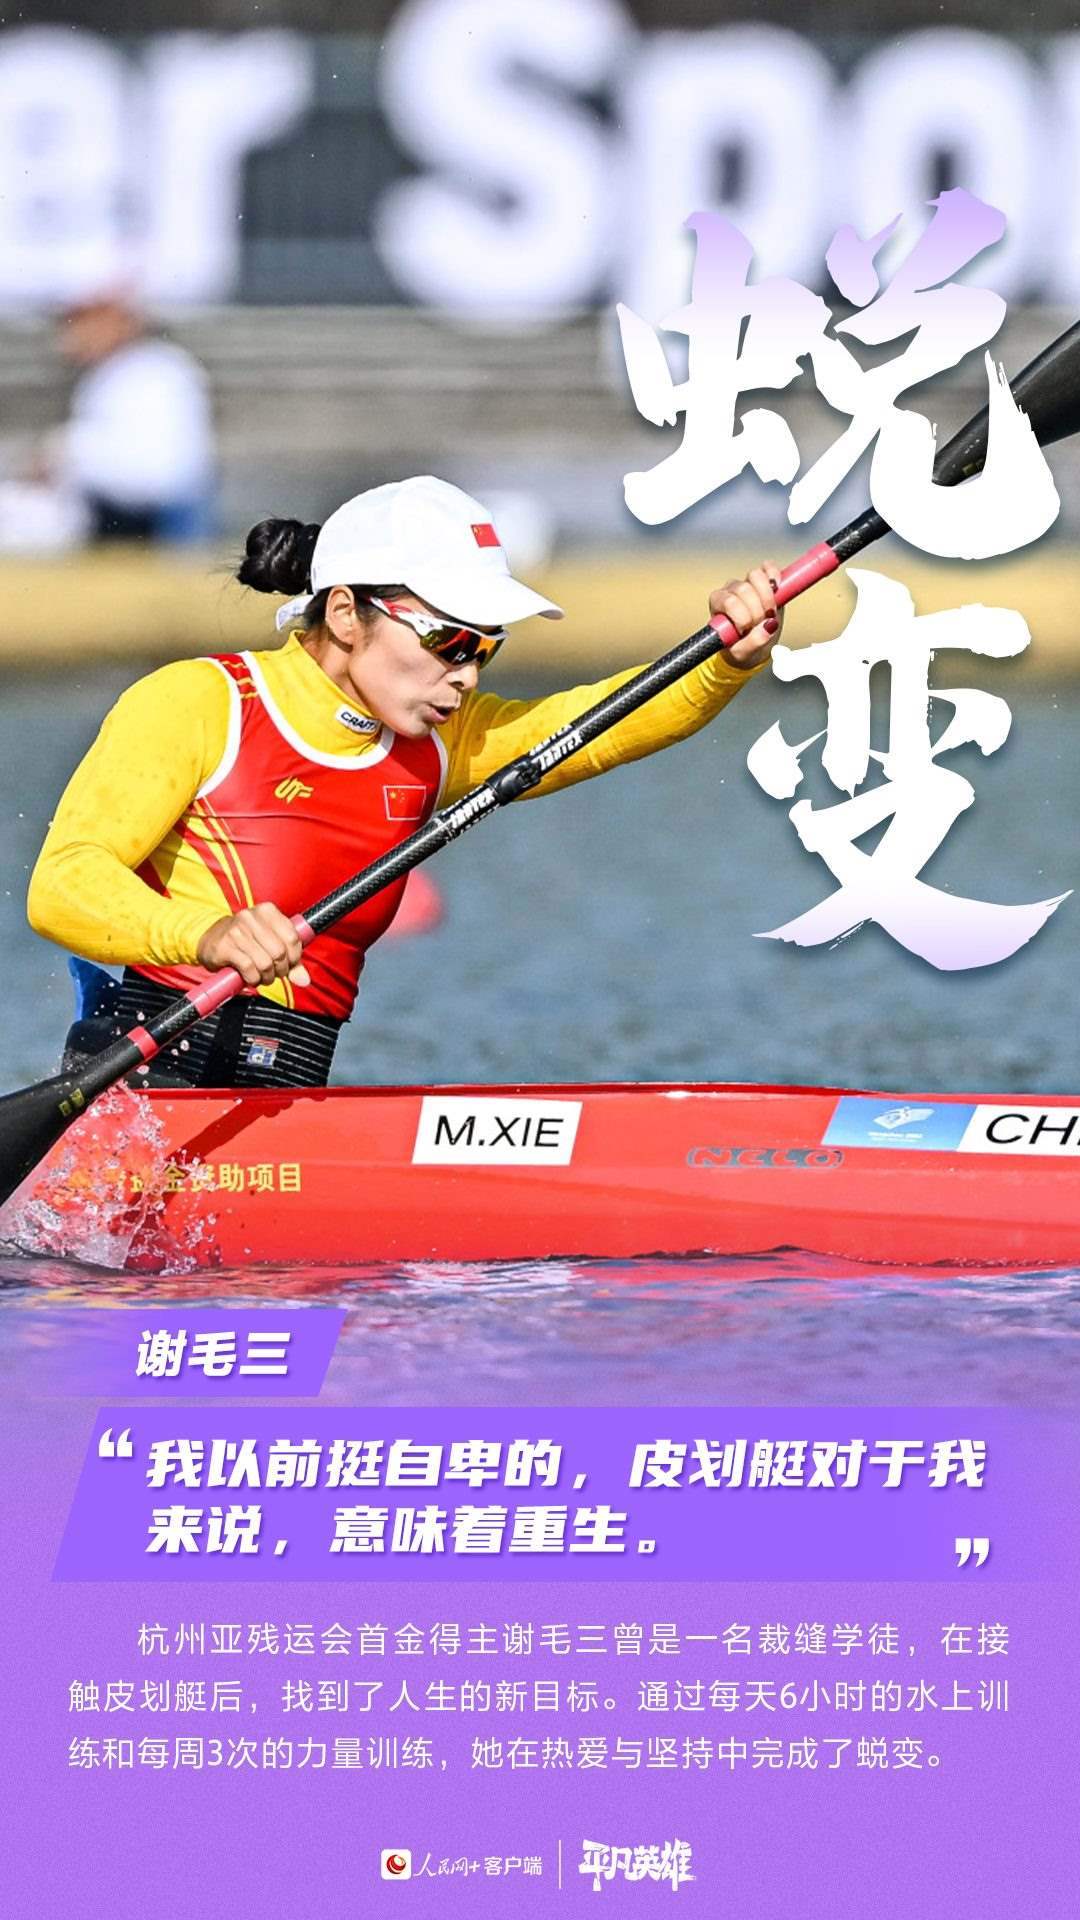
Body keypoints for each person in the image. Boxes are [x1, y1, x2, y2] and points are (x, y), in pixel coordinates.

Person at [27, 475, 783, 1089]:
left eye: (486, 648)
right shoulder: (202, 703)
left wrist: (725, 660)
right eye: (450, 641)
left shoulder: (437, 743)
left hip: (288, 1107)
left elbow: (599, 728)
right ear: (346, 613)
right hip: (151, 1081)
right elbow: (63, 883)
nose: (468, 675)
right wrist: (207, 934)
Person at [54, 294, 215, 543]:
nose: (73, 337)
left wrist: (66, 452)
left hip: (164, 514)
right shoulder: (104, 376)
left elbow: (159, 469)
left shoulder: (157, 370)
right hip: (133, 507)